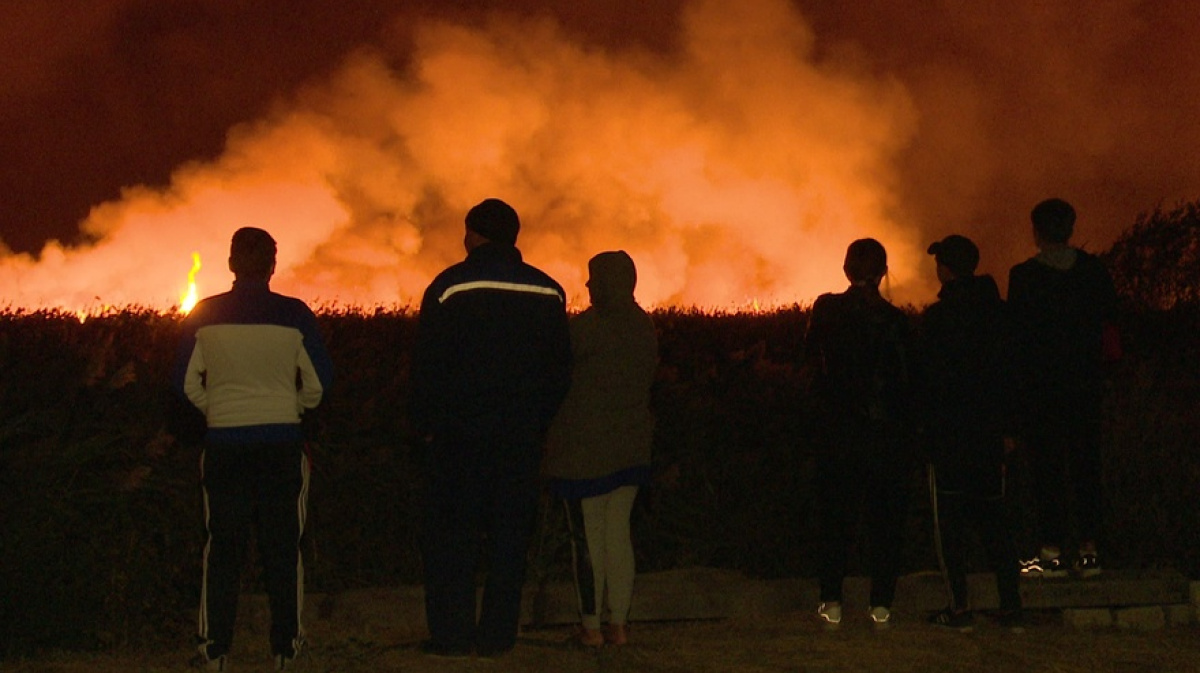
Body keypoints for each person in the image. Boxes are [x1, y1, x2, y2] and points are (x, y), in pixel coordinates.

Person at [410, 198, 572, 659]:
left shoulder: (449, 288)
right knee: (508, 539)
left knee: (452, 538)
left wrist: (426, 426)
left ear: (473, 235)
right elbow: (560, 370)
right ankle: (499, 636)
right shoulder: (548, 291)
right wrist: (536, 421)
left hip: (458, 439)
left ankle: (452, 635)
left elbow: (427, 364)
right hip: (519, 439)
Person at [172, 227, 334, 672]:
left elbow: (184, 385)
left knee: (221, 547)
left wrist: (218, 410)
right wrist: (292, 409)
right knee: (284, 548)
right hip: (282, 445)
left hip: (225, 445)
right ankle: (285, 648)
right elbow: (320, 383)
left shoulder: (203, 315)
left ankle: (214, 650)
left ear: (230, 264)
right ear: (272, 265)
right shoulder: (295, 315)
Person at [543, 251, 658, 648]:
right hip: (631, 448)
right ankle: (619, 624)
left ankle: (591, 626)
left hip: (583, 453)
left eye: (593, 279)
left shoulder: (586, 330)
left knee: (588, 540)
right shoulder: (644, 327)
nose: (589, 286)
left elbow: (555, 375)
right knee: (618, 535)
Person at [803, 238, 917, 628]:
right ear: (883, 272)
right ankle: (881, 603)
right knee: (885, 522)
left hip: (839, 434)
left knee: (836, 518)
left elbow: (811, 361)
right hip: (885, 437)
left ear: (846, 270)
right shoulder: (897, 320)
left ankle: (831, 600)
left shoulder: (827, 309)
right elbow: (906, 382)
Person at [1007, 198, 1118, 578]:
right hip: (1085, 386)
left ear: (1036, 232)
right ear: (1070, 229)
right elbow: (1111, 323)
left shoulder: (1023, 277)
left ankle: (1051, 553)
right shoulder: (1093, 272)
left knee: (1046, 470)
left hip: (1041, 391)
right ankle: (1090, 552)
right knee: (1086, 466)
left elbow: (1017, 339)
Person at [919, 235, 1024, 631]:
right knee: (996, 522)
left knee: (950, 528)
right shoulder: (1000, 314)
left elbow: (927, 383)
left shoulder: (937, 320)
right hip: (989, 437)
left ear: (944, 269)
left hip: (948, 439)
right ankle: (1011, 604)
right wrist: (1010, 428)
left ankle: (959, 607)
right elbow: (1013, 375)